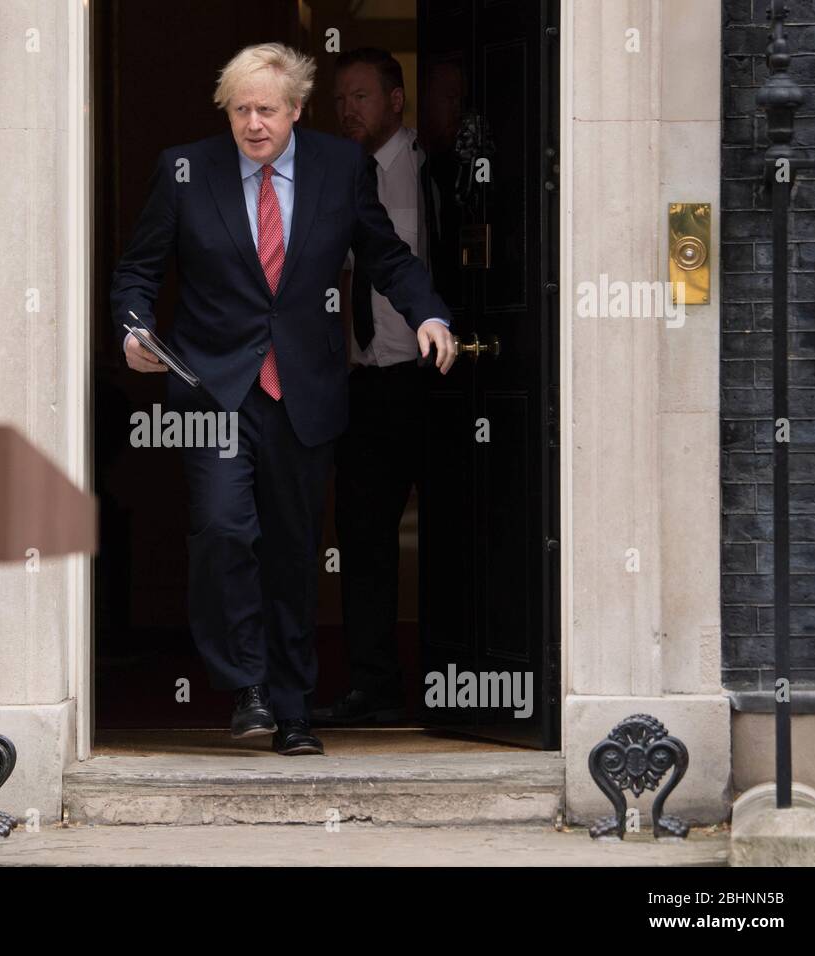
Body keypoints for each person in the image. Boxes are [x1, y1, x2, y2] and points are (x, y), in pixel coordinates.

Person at [110, 42, 454, 756]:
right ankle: (249, 685)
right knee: (224, 529)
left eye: (267, 109)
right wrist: (133, 329)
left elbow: (386, 254)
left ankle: (294, 708)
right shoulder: (186, 169)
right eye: (241, 110)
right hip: (214, 388)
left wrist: (428, 313)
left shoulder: (338, 167)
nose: (254, 124)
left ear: (296, 109)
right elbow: (138, 269)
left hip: (304, 389)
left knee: (294, 553)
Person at [311, 48, 440, 727]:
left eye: (361, 95)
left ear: (396, 100)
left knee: (452, 532)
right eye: (340, 99)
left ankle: (457, 684)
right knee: (363, 539)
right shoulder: (333, 178)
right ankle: (373, 684)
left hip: (432, 383)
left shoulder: (433, 172)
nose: (348, 109)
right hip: (363, 383)